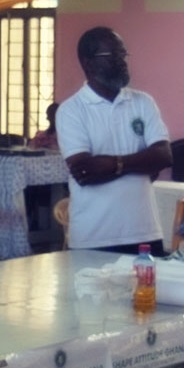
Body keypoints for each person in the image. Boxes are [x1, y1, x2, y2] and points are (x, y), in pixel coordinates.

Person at [56, 26, 173, 256]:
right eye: (113, 55)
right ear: (88, 63)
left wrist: (113, 164)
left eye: (123, 54)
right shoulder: (71, 110)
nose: (122, 62)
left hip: (144, 231)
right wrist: (141, 163)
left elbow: (164, 156)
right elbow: (86, 172)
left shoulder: (143, 102)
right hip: (94, 235)